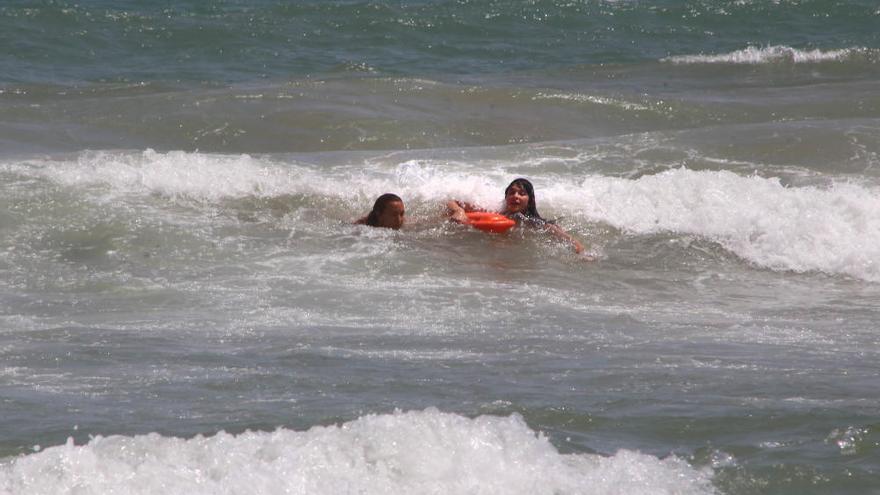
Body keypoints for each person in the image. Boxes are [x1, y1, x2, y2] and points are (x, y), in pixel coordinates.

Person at [446, 178, 586, 255]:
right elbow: (451, 201)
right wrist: (459, 211)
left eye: (522, 193)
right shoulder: (494, 213)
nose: (515, 196)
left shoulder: (535, 224)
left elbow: (571, 241)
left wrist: (581, 253)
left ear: (530, 200)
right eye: (511, 193)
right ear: (506, 197)